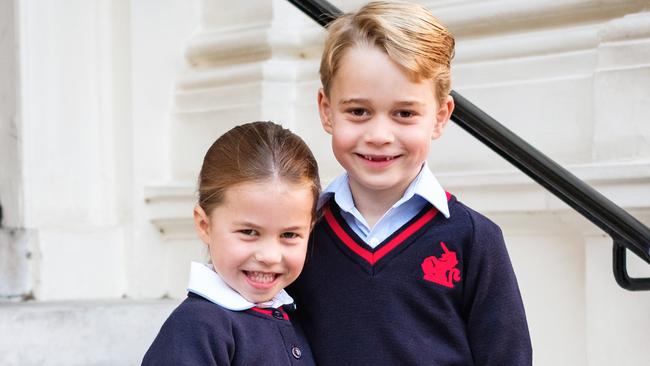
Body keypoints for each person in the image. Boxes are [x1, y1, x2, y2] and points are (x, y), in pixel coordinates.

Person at [288, 1, 532, 365]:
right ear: (326, 110)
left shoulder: (474, 239)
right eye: (358, 111)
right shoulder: (299, 233)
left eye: (404, 113)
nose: (379, 135)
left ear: (440, 117)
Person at [142, 121, 320, 365]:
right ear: (205, 225)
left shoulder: (296, 313)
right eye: (249, 232)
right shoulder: (197, 328)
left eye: (289, 235)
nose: (269, 256)